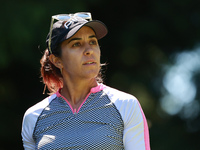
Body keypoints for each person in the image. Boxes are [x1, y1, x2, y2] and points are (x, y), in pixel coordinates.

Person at [21, 12, 150, 150]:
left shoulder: (126, 106)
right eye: (76, 44)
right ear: (57, 61)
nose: (89, 50)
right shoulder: (33, 117)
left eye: (93, 42)